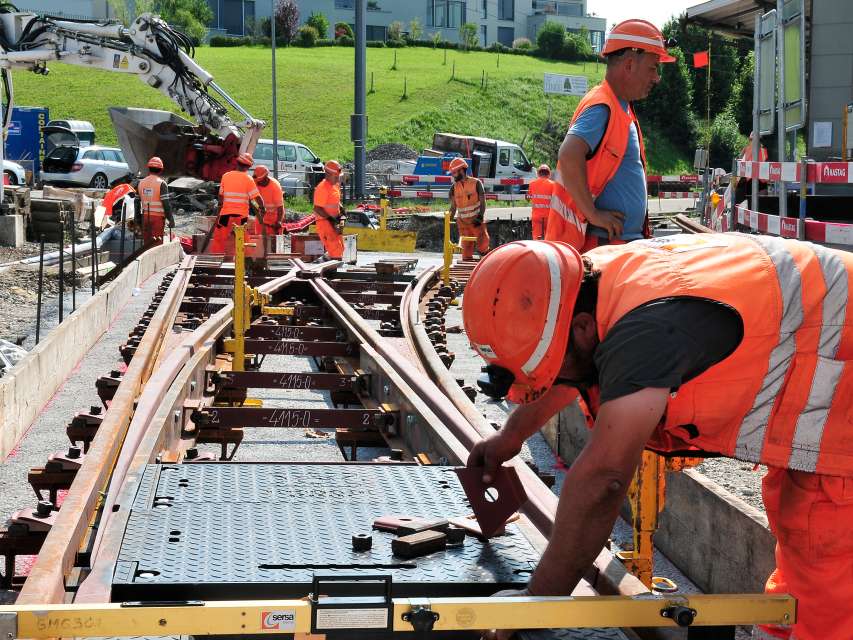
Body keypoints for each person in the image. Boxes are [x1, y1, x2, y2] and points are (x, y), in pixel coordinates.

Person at [463, 234, 853, 640]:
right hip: (827, 372)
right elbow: (573, 368)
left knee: (830, 565)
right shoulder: (585, 287)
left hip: (843, 378)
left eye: (548, 373)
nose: (549, 384)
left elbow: (604, 479)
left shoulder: (646, 332)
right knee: (805, 536)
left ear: (579, 329)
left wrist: (536, 601)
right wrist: (511, 435)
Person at [546, 19, 674, 252]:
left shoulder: (620, 108)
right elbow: (568, 153)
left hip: (616, 243)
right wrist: (593, 213)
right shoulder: (602, 106)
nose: (657, 78)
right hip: (605, 246)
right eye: (653, 68)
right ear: (629, 64)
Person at [211, 152, 264, 254]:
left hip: (226, 215)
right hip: (241, 216)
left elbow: (221, 196)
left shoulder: (226, 176)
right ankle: (247, 260)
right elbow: (256, 197)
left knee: (219, 239)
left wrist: (219, 210)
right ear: (248, 166)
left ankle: (216, 258)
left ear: (237, 163)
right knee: (243, 239)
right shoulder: (248, 179)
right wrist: (262, 207)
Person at [448, 157, 489, 260]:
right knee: (466, 250)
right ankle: (468, 267)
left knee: (483, 246)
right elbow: (453, 207)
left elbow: (483, 202)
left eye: (454, 173)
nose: (453, 175)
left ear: (461, 170)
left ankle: (485, 265)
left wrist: (480, 217)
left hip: (476, 222)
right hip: (462, 223)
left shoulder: (476, 183)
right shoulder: (453, 188)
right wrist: (447, 220)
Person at [312, 160, 345, 261]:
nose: (338, 178)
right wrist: (332, 220)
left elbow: (336, 201)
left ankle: (327, 260)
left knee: (339, 248)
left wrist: (342, 212)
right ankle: (332, 270)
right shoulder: (322, 188)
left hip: (334, 222)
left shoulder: (335, 185)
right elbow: (317, 208)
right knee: (335, 252)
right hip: (325, 223)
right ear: (328, 174)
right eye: (336, 176)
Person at [137, 156, 174, 246]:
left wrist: (138, 220)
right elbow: (166, 204)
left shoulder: (141, 182)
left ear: (149, 168)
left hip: (145, 217)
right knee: (156, 245)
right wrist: (171, 219)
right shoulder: (161, 183)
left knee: (146, 244)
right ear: (161, 170)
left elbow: (137, 203)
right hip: (157, 219)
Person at [253, 165, 285, 239]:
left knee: (274, 241)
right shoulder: (255, 183)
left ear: (265, 178)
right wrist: (259, 212)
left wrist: (279, 221)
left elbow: (280, 207)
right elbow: (253, 201)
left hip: (274, 216)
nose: (257, 182)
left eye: (259, 181)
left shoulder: (275, 187)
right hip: (261, 214)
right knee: (259, 240)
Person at [527, 164, 554, 240]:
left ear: (538, 173)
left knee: (537, 239)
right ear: (549, 174)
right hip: (549, 217)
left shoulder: (532, 184)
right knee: (549, 239)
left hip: (536, 216)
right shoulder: (553, 184)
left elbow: (528, 197)